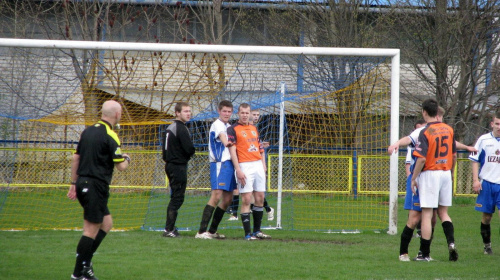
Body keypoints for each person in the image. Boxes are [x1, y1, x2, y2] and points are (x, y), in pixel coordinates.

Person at [67, 100, 131, 280]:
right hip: (95, 185)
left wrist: (73, 183)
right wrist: (127, 158)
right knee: (90, 229)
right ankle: (78, 272)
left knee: (107, 223)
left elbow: (75, 158)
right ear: (117, 115)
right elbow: (121, 167)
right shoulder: (110, 135)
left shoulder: (87, 131)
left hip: (83, 183)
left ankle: (85, 264)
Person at [411, 98, 458, 262]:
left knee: (427, 214)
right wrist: (451, 172)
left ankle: (424, 254)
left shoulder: (425, 132)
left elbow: (421, 159)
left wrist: (413, 178)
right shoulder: (449, 129)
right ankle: (451, 243)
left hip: (430, 174)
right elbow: (453, 155)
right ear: (437, 112)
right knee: (443, 213)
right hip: (445, 172)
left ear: (424, 112)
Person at [227, 103, 271, 240]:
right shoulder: (232, 129)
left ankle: (257, 231)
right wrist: (238, 169)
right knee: (246, 199)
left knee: (260, 198)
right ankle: (247, 234)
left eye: (247, 113)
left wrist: (264, 166)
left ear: (250, 114)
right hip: (244, 165)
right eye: (243, 113)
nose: (245, 115)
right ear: (238, 114)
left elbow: (259, 147)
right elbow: (232, 151)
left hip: (257, 164)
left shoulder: (253, 128)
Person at [195, 100, 236, 239]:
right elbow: (224, 139)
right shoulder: (217, 124)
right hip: (219, 163)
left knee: (228, 199)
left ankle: (212, 231)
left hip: (230, 164)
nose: (226, 114)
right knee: (216, 195)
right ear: (219, 111)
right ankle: (201, 232)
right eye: (224, 111)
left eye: (229, 111)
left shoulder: (229, 126)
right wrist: (228, 143)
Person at [161, 102, 195, 238]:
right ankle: (169, 229)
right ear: (177, 113)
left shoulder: (170, 127)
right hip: (177, 165)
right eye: (185, 111)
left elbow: (164, 149)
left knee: (175, 196)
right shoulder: (181, 128)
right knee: (177, 198)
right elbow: (189, 148)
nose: (188, 113)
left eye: (189, 111)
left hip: (170, 164)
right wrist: (189, 154)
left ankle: (169, 228)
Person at [469, 111, 500, 255]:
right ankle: (487, 246)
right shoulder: (484, 140)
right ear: (492, 124)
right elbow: (474, 160)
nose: (499, 127)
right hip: (487, 183)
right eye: (497, 124)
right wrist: (476, 180)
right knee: (487, 217)